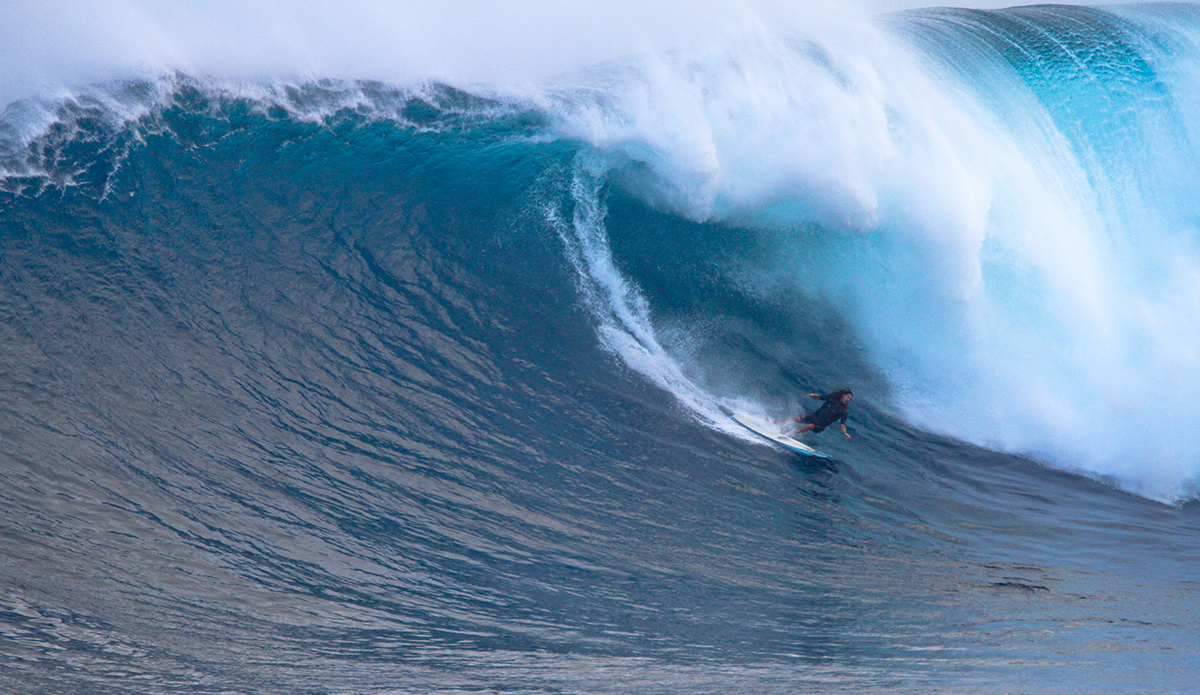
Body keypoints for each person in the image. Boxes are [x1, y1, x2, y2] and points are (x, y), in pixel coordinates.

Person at [782, 388, 853, 440]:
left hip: (820, 425)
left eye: (850, 399)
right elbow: (820, 397)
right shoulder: (833, 398)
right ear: (843, 395)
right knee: (795, 419)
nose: (848, 400)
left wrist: (845, 433)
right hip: (814, 416)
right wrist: (812, 395)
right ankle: (775, 424)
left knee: (809, 426)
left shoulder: (844, 411)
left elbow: (842, 424)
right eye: (848, 397)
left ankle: (789, 434)